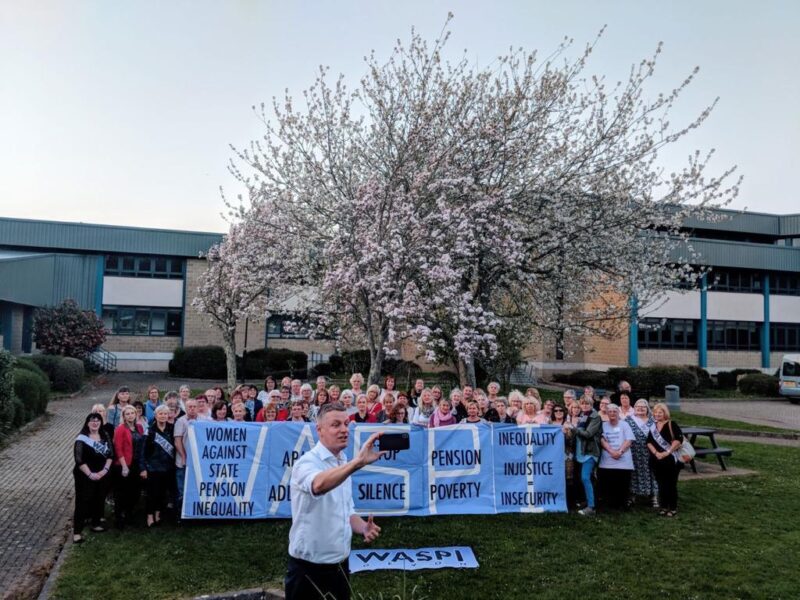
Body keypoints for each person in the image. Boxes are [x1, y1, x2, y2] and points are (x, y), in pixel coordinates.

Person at [286, 403, 383, 600]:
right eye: (336, 425)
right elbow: (319, 485)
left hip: (340, 565)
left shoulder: (342, 461)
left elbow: (347, 510)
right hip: (308, 569)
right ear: (319, 430)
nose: (344, 430)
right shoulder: (306, 463)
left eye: (346, 424)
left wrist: (363, 527)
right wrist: (357, 463)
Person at [72, 413, 114, 543]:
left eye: (98, 421)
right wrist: (90, 474)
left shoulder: (105, 435)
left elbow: (111, 455)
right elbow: (79, 460)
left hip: (102, 472)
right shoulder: (81, 438)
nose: (95, 423)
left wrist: (104, 470)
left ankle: (96, 524)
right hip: (85, 474)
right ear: (87, 423)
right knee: (83, 501)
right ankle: (77, 532)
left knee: (99, 498)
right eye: (92, 421)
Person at [139, 404, 175, 527]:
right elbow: (142, 452)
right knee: (152, 493)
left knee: (162, 493)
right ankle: (149, 515)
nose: (163, 416)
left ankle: (158, 514)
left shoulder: (172, 429)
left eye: (165, 413)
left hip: (168, 467)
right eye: (161, 414)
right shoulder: (149, 431)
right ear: (155, 415)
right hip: (153, 468)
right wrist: (143, 468)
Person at [647, 403, 684, 517]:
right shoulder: (653, 426)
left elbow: (678, 440)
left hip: (670, 460)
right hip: (656, 459)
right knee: (661, 484)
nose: (657, 414)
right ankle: (663, 506)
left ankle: (672, 508)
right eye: (656, 412)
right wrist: (656, 453)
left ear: (665, 413)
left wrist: (666, 452)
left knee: (671, 484)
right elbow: (648, 442)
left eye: (660, 412)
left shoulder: (671, 424)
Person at [598, 404, 635, 510]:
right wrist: (611, 451)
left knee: (623, 484)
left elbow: (629, 440)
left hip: (623, 460)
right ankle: (609, 504)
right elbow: (602, 440)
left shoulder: (625, 425)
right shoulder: (603, 425)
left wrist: (620, 452)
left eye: (615, 411)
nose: (612, 413)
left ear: (618, 413)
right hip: (607, 460)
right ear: (607, 413)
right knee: (608, 484)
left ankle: (622, 504)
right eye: (610, 411)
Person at [112, 405, 143, 529]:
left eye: (132, 413)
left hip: (136, 464)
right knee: (121, 493)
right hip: (123, 464)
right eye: (127, 414)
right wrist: (124, 466)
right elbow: (118, 448)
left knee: (134, 492)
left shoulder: (139, 427)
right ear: (124, 416)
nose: (130, 415)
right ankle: (119, 518)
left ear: (136, 414)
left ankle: (129, 514)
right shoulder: (121, 429)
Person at [573, 395, 602, 516]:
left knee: (585, 477)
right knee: (584, 479)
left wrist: (573, 428)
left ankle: (591, 508)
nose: (585, 405)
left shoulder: (595, 417)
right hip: (581, 452)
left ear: (592, 405)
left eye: (587, 404)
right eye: (583, 403)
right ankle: (589, 501)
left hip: (590, 452)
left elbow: (588, 434)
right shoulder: (582, 416)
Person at [626, 399, 659, 507]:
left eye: (643, 407)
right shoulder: (628, 420)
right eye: (637, 407)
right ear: (634, 409)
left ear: (647, 409)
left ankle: (653, 496)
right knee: (634, 474)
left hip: (651, 452)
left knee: (652, 474)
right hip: (634, 452)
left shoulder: (653, 421)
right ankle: (632, 496)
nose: (640, 408)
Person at [174, 397, 199, 513]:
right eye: (190, 407)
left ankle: (193, 512)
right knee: (182, 489)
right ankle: (181, 514)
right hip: (183, 461)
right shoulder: (180, 421)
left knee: (196, 489)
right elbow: (177, 441)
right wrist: (184, 456)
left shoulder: (204, 420)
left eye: (194, 407)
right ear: (186, 408)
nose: (192, 409)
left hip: (198, 462)